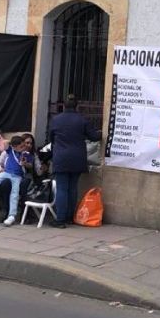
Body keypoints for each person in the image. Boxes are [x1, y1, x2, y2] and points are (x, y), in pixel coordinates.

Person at [48, 95, 102, 229]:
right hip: (77, 158)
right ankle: (70, 217)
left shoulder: (56, 120)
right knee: (72, 188)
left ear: (63, 106)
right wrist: (102, 132)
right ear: (77, 106)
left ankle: (60, 219)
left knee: (62, 188)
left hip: (61, 157)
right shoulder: (82, 120)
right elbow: (94, 137)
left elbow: (52, 138)